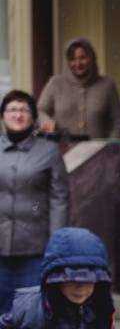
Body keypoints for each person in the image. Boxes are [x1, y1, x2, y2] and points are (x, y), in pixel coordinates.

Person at [0, 90, 69, 315]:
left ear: (33, 117)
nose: (17, 115)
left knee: (30, 314)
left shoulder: (48, 151)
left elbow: (59, 200)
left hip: (34, 251)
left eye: (24, 110)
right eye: (12, 110)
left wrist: (56, 244)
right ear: (3, 116)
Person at [37, 37, 120, 140]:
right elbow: (40, 111)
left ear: (92, 57)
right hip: (62, 151)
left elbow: (118, 122)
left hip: (98, 152)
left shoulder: (107, 85)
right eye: (72, 59)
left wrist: (109, 146)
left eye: (82, 58)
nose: (78, 64)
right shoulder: (56, 83)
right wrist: (47, 122)